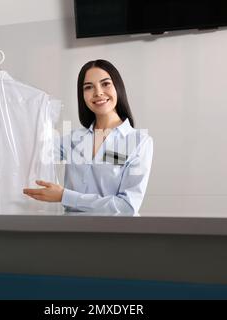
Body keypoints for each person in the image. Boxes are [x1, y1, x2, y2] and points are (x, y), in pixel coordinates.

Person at [23, 59, 153, 215]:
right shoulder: (72, 140)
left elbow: (127, 207)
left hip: (116, 235)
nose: (98, 92)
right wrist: (27, 104)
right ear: (82, 95)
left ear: (118, 87)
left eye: (105, 84)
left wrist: (65, 196)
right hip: (71, 232)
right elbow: (31, 149)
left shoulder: (138, 142)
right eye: (88, 87)